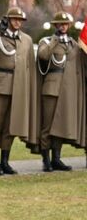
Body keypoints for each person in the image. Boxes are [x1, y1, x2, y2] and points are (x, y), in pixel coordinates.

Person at [0, 7, 38, 175]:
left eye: (20, 20)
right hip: (0, 85)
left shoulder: (26, 40)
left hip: (19, 86)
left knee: (10, 126)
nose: (17, 22)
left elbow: (29, 65)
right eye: (14, 19)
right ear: (8, 20)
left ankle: (6, 161)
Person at [35, 11, 86, 171]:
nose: (63, 26)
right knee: (48, 125)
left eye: (65, 24)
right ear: (55, 25)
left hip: (67, 91)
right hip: (51, 88)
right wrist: (54, 41)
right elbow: (43, 56)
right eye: (60, 24)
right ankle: (46, 160)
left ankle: (57, 158)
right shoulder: (47, 41)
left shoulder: (73, 44)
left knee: (60, 126)